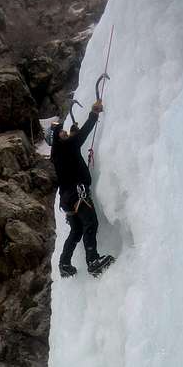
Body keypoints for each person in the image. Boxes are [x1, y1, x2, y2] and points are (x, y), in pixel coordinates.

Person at [51, 100, 112, 277]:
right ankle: (93, 260)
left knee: (76, 230)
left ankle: (64, 263)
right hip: (78, 191)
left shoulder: (58, 152)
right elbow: (82, 134)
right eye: (61, 132)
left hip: (66, 198)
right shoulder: (65, 146)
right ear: (57, 138)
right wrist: (94, 113)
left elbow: (73, 142)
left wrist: (72, 134)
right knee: (91, 223)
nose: (64, 132)